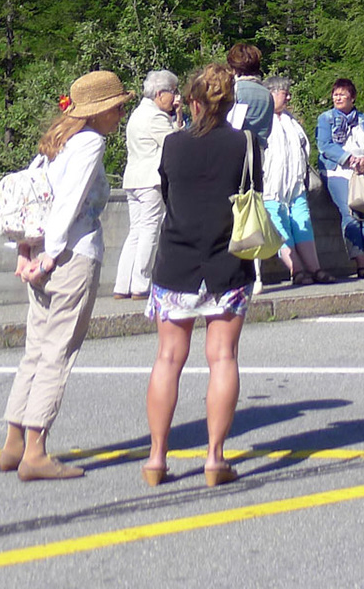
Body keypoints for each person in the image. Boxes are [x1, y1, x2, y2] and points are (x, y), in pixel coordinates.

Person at [0, 71, 128, 482]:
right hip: (70, 257)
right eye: (119, 107)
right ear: (102, 110)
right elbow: (68, 203)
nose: (121, 115)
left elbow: (31, 199)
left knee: (35, 348)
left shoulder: (56, 142)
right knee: (58, 352)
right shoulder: (91, 142)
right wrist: (51, 255)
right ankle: (35, 451)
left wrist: (26, 251)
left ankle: (14, 441)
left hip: (41, 253)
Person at [142, 63, 257, 488]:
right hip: (227, 260)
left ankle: (156, 458)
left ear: (191, 102)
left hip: (176, 259)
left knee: (168, 358)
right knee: (222, 357)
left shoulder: (172, 144)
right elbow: (254, 193)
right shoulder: (246, 143)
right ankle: (214, 458)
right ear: (230, 104)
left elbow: (168, 193)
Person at [317, 78, 364, 277]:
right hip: (337, 172)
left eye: (342, 94)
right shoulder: (325, 119)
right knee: (350, 213)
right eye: (335, 94)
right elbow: (325, 146)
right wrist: (349, 158)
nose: (338, 97)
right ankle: (360, 262)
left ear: (353, 98)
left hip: (361, 172)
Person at [113, 70, 178, 300]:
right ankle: (141, 283)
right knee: (149, 230)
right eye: (173, 92)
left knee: (136, 231)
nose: (175, 97)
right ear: (160, 93)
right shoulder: (156, 117)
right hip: (150, 181)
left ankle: (122, 284)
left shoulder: (137, 114)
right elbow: (175, 143)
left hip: (133, 179)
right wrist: (177, 116)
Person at [263, 77, 326, 287]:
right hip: (271, 187)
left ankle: (315, 268)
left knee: (302, 225)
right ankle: (296, 269)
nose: (288, 96)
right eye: (284, 93)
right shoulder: (262, 121)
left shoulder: (291, 122)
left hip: (296, 186)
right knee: (279, 226)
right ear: (271, 94)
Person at [225, 43, 274, 146]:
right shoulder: (267, 95)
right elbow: (268, 130)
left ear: (234, 67)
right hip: (258, 152)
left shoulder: (234, 90)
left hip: (235, 149)